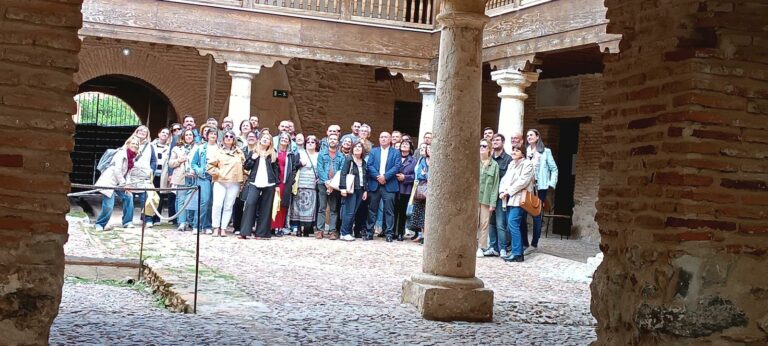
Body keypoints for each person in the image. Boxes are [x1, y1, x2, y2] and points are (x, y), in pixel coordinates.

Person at [522, 129, 558, 253]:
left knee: (537, 215)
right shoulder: (525, 151)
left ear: (537, 137)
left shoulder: (545, 152)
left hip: (539, 188)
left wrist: (550, 184)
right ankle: (524, 243)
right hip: (526, 187)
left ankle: (534, 243)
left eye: (531, 135)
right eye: (527, 135)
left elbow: (554, 169)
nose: (529, 137)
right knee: (522, 214)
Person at [239, 132, 280, 240]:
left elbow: (276, 170)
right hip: (254, 182)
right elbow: (246, 167)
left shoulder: (272, 153)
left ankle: (261, 233)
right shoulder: (253, 151)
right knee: (250, 204)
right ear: (260, 139)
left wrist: (277, 184)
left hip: (269, 183)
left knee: (266, 207)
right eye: (264, 138)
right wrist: (252, 158)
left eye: (268, 138)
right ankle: (244, 232)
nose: (265, 140)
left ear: (270, 142)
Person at [498, 144, 535, 262]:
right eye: (513, 150)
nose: (513, 152)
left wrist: (508, 192)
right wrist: (502, 191)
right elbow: (505, 179)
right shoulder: (511, 164)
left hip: (519, 199)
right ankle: (515, 252)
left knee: (513, 224)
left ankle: (518, 253)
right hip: (509, 199)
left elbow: (522, 181)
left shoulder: (528, 164)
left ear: (522, 153)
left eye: (517, 150)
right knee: (511, 225)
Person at [94, 136, 139, 231]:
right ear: (128, 144)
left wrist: (128, 184)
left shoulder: (132, 157)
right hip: (109, 181)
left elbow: (128, 172)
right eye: (133, 143)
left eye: (136, 144)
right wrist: (124, 183)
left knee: (129, 196)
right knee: (109, 205)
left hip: (119, 182)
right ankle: (100, 224)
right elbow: (117, 170)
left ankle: (127, 221)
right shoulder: (121, 154)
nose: (134, 145)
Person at [207, 130, 245, 237]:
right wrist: (218, 173)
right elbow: (210, 166)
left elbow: (244, 167)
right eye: (226, 136)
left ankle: (223, 228)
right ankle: (215, 227)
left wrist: (243, 179)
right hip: (220, 181)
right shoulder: (218, 152)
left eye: (231, 136)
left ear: (234, 139)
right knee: (217, 205)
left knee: (228, 206)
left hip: (234, 182)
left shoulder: (239, 152)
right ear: (223, 139)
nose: (228, 138)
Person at [365, 132, 401, 242]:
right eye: (381, 137)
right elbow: (369, 165)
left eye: (386, 137)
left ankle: (389, 233)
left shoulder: (396, 152)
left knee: (389, 211)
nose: (383, 139)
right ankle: (369, 232)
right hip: (375, 184)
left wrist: (385, 177)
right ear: (379, 139)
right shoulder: (374, 151)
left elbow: (397, 166)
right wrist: (378, 177)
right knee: (372, 210)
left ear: (390, 139)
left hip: (389, 185)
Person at [485, 133, 513, 257]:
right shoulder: (489, 159)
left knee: (501, 223)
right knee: (491, 223)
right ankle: (493, 247)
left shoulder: (508, 159)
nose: (495, 142)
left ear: (503, 142)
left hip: (501, 195)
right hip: (489, 194)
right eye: (493, 140)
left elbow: (510, 178)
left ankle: (502, 248)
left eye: (497, 140)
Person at [289, 134, 319, 237]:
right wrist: (300, 164)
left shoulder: (318, 155)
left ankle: (307, 229)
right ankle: (298, 228)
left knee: (310, 207)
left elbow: (320, 169)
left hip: (312, 184)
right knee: (297, 207)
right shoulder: (300, 153)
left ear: (316, 144)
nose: (310, 144)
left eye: (312, 142)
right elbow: (293, 166)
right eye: (308, 142)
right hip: (300, 182)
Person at [315, 133, 344, 239]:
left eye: (334, 139)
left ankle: (333, 231)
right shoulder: (322, 154)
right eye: (330, 139)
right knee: (322, 208)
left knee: (333, 209)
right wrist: (326, 181)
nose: (332, 140)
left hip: (335, 185)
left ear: (337, 142)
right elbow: (320, 168)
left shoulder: (341, 156)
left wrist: (333, 183)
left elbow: (341, 170)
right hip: (323, 184)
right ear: (327, 141)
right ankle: (319, 230)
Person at [189, 126, 217, 234]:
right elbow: (193, 163)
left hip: (215, 177)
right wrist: (199, 170)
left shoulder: (220, 149)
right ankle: (197, 225)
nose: (213, 136)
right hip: (203, 177)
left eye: (215, 134)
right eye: (211, 134)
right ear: (207, 135)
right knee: (204, 201)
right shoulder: (200, 148)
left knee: (211, 202)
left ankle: (207, 225)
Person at [271, 132, 299, 236]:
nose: (283, 139)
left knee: (282, 205)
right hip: (275, 181)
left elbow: (294, 169)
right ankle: (271, 226)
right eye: (282, 138)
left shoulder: (291, 155)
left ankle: (279, 227)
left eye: (286, 138)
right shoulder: (274, 152)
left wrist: (291, 181)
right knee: (272, 204)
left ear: (289, 142)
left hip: (285, 182)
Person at [169, 128, 197, 232]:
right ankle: (182, 222)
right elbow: (171, 163)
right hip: (181, 176)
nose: (189, 137)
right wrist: (180, 160)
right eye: (187, 135)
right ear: (183, 137)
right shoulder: (177, 149)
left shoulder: (197, 148)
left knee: (191, 200)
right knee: (181, 200)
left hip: (193, 176)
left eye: (191, 135)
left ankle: (191, 221)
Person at [338, 142, 368, 241]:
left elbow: (365, 177)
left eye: (359, 147)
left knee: (354, 212)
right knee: (349, 212)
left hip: (360, 189)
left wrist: (365, 190)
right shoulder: (349, 160)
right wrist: (342, 188)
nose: (357, 148)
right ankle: (344, 232)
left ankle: (348, 232)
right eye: (355, 147)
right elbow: (343, 174)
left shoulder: (363, 162)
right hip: (351, 189)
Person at [128, 126, 156, 228]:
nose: (142, 132)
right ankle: (127, 220)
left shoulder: (150, 146)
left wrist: (151, 170)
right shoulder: (130, 142)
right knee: (129, 200)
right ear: (136, 131)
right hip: (132, 175)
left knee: (146, 199)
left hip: (144, 176)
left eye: (145, 131)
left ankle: (147, 219)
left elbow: (153, 160)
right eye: (140, 130)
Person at [233, 131, 259, 234]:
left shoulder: (259, 151)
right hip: (241, 179)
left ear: (257, 139)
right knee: (238, 203)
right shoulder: (241, 150)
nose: (251, 138)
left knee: (252, 204)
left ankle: (250, 226)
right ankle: (237, 226)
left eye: (253, 136)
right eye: (249, 136)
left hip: (254, 179)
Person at [477, 138, 500, 257]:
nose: (481, 147)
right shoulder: (474, 162)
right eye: (480, 145)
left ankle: (481, 247)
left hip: (486, 199)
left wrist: (493, 203)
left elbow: (495, 185)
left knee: (484, 224)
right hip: (474, 199)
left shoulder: (494, 165)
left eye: (484, 146)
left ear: (489, 149)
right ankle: (470, 245)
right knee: (471, 222)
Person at [393, 139, 415, 241]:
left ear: (410, 148)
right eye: (403, 144)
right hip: (393, 187)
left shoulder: (413, 161)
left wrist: (405, 178)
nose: (404, 145)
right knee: (392, 211)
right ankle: (392, 231)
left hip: (405, 189)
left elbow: (415, 176)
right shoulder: (394, 158)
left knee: (402, 212)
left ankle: (400, 232)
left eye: (407, 144)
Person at [151, 127, 172, 225]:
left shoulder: (170, 147)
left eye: (167, 133)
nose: (164, 134)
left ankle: (156, 218)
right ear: (159, 134)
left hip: (163, 174)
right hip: (153, 174)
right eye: (163, 132)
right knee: (150, 195)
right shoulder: (151, 145)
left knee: (160, 196)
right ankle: (147, 217)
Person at [409, 144, 430, 243]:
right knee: (421, 212)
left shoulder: (437, 161)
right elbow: (418, 174)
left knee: (428, 213)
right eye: (428, 149)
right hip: (422, 189)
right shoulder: (422, 160)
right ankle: (422, 235)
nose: (429, 150)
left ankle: (427, 235)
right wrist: (425, 175)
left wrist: (425, 174)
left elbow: (432, 175)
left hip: (432, 190)